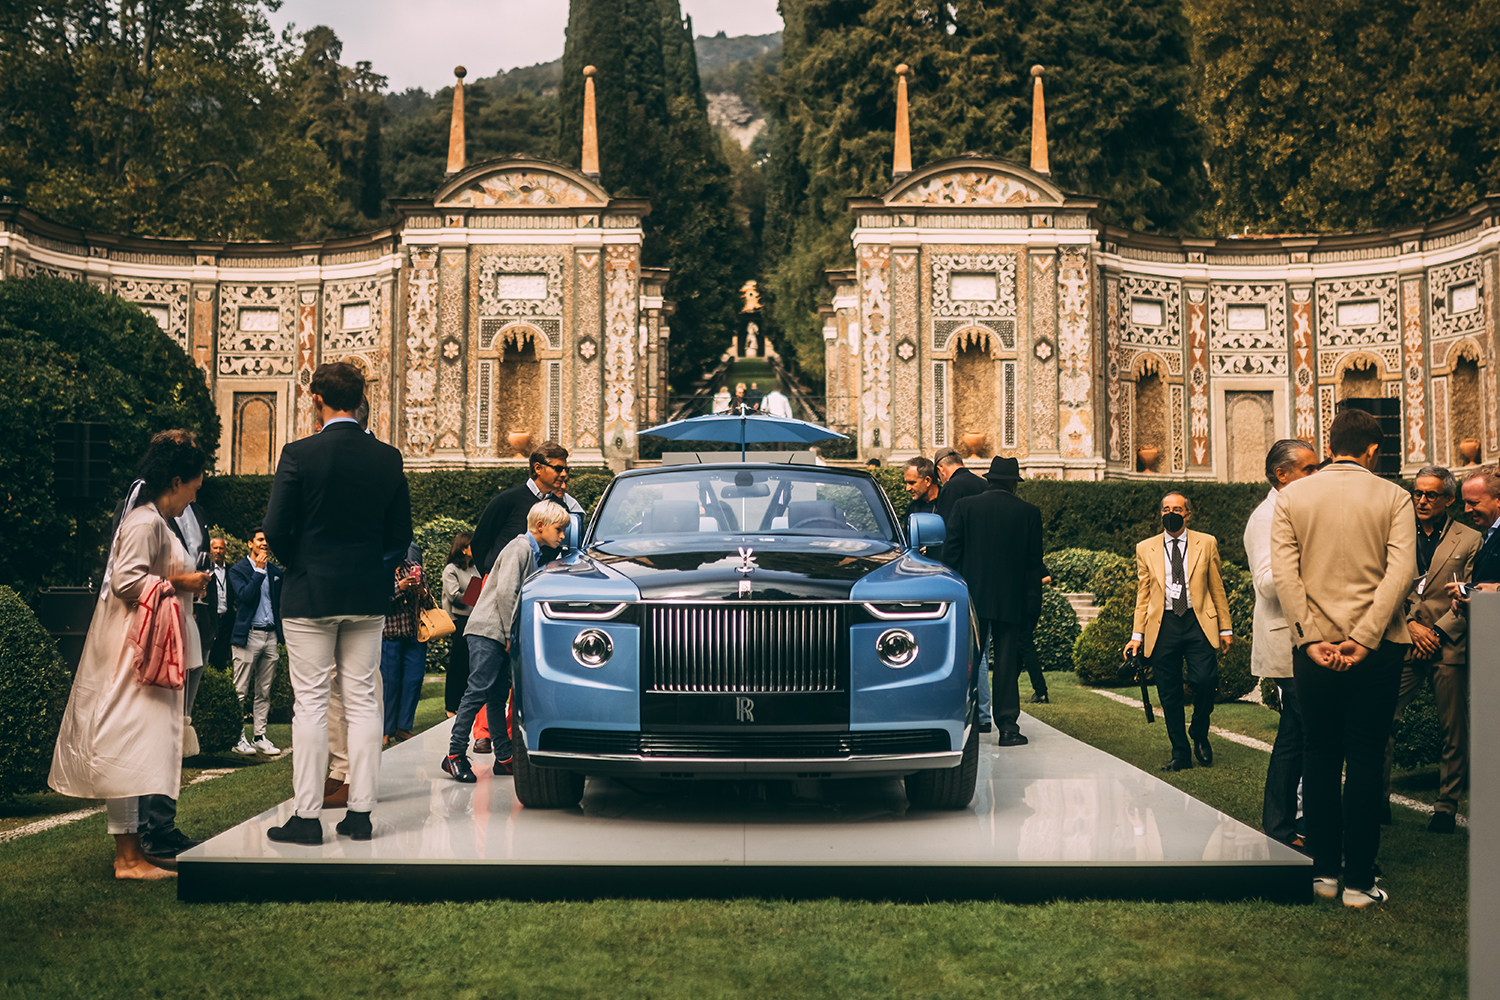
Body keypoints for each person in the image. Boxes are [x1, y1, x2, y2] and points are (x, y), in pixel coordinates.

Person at [262, 361, 412, 846]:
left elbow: (277, 527)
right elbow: (399, 537)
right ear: (360, 398)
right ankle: (361, 813)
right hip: (367, 594)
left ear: (316, 400)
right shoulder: (388, 458)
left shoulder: (299, 454)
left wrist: (300, 564)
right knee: (365, 700)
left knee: (309, 704)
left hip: (309, 592)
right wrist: (370, 567)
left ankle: (306, 817)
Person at [1271, 408, 1415, 908]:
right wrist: (1367, 635)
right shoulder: (1394, 496)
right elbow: (1401, 573)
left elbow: (1286, 577)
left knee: (1320, 755)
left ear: (1330, 444)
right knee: (1366, 757)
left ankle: (1323, 873)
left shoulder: (1292, 497)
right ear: (1373, 449)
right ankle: (1358, 882)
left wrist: (1311, 639)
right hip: (1376, 650)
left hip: (1314, 650)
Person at [50, 433, 209, 879]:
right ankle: (127, 858)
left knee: (139, 743)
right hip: (133, 651)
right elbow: (127, 581)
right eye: (193, 487)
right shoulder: (145, 522)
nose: (195, 495)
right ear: (175, 480)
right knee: (127, 742)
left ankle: (134, 851)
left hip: (142, 645)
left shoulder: (153, 519)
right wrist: (181, 583)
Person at [442, 501, 570, 783]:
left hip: (496, 630)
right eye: (559, 529)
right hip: (489, 631)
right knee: (477, 692)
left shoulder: (532, 552)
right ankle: (454, 754)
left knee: (497, 697)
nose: (562, 536)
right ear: (540, 526)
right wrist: (512, 635)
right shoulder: (519, 548)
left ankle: (504, 756)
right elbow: (507, 594)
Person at [1384, 465, 1481, 834]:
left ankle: (1445, 806)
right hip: (1405, 636)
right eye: (1417, 493)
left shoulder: (1470, 538)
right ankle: (1378, 801)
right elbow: (1387, 583)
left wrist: (1436, 632)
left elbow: (1473, 590)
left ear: (1449, 499)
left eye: (1431, 495)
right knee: (1385, 719)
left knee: (1452, 729)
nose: (1422, 500)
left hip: (1447, 642)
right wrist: (1409, 625)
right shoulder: (1398, 533)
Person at [1124, 491, 1234, 773]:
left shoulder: (1206, 543)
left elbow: (1216, 588)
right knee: (1169, 693)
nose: (1171, 513)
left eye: (1177, 508)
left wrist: (1225, 627)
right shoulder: (1145, 548)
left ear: (1187, 514)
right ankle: (1180, 753)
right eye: (1166, 508)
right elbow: (1143, 595)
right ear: (1160, 513)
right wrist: (1137, 636)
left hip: (1198, 622)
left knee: (1206, 680)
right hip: (1164, 625)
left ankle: (1199, 729)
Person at [1245, 439, 1320, 848]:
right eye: (1309, 469)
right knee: (1304, 732)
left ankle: (1284, 824)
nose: (1316, 475)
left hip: (1303, 639)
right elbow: (1267, 582)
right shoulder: (1265, 516)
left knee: (1296, 732)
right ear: (1282, 475)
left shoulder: (1294, 508)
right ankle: (1290, 823)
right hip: (1286, 641)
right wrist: (1316, 566)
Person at [942, 456, 1045, 747]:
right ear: (1013, 483)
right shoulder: (1029, 513)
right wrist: (1031, 607)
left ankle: (964, 722)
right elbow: (1032, 566)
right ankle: (1009, 727)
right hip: (1011, 599)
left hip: (972, 598)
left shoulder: (965, 507)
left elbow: (951, 556)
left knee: (968, 662)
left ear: (989, 480)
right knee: (1006, 664)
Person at [470, 442, 570, 574]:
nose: (564, 474)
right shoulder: (507, 500)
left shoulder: (561, 508)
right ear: (538, 468)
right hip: (499, 583)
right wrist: (490, 576)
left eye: (566, 469)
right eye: (558, 469)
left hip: (535, 586)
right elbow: (480, 542)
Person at [227, 527, 284, 756]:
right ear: (250, 543)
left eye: (266, 540)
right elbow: (245, 597)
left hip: (270, 635)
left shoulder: (276, 571)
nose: (264, 543)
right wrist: (258, 572)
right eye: (260, 540)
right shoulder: (238, 570)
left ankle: (259, 736)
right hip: (248, 635)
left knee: (264, 690)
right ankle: (236, 737)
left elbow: (279, 603)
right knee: (240, 690)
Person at [380, 555, 432, 745]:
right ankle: (385, 730)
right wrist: (399, 589)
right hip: (389, 634)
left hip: (414, 634)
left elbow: (428, 602)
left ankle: (403, 727)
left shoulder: (414, 567)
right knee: (389, 682)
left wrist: (421, 591)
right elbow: (375, 599)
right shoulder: (380, 566)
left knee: (414, 679)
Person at [442, 532, 480, 719]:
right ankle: (450, 706)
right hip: (458, 621)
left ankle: (465, 704)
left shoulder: (474, 569)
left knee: (470, 664)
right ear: (464, 548)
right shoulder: (451, 569)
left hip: (473, 620)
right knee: (457, 663)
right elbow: (453, 596)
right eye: (473, 545)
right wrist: (475, 596)